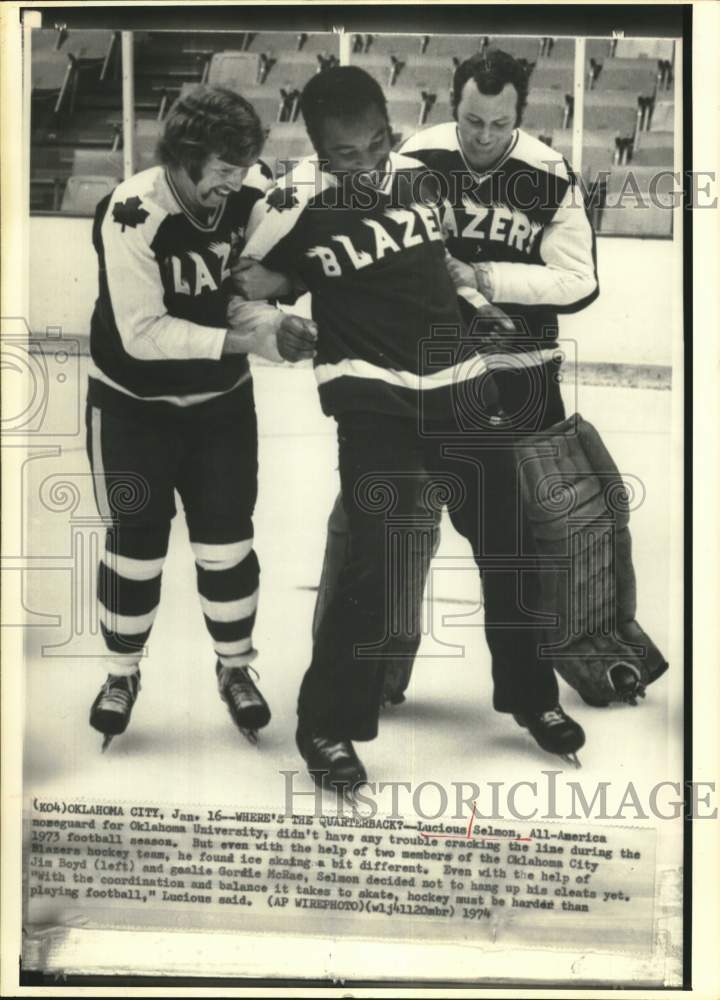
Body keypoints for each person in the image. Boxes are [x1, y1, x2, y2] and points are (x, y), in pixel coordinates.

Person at [232, 65, 587, 791]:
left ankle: (531, 698)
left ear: (388, 137)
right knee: (378, 560)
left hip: (458, 385)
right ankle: (327, 725)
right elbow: (241, 288)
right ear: (316, 151)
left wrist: (468, 298)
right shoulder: (292, 204)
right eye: (340, 159)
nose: (357, 170)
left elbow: (434, 266)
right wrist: (275, 321)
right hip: (372, 399)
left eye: (368, 150)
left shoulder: (422, 181)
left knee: (510, 543)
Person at [311, 47, 601, 712]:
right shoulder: (417, 156)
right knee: (379, 519)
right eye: (473, 122)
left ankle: (593, 667)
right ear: (454, 107)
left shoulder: (551, 173)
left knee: (552, 528)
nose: (484, 138)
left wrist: (488, 279)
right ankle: (368, 675)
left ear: (520, 116)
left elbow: (580, 280)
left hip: (522, 377)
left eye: (499, 125)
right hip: (425, 372)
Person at [85, 85, 317, 750]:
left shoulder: (247, 195)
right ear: (183, 160)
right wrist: (246, 339)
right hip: (132, 409)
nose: (232, 185)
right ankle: (121, 672)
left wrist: (277, 330)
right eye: (220, 171)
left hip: (219, 407)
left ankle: (235, 667)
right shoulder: (130, 212)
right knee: (135, 545)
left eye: (241, 170)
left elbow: (233, 300)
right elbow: (142, 333)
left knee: (227, 542)